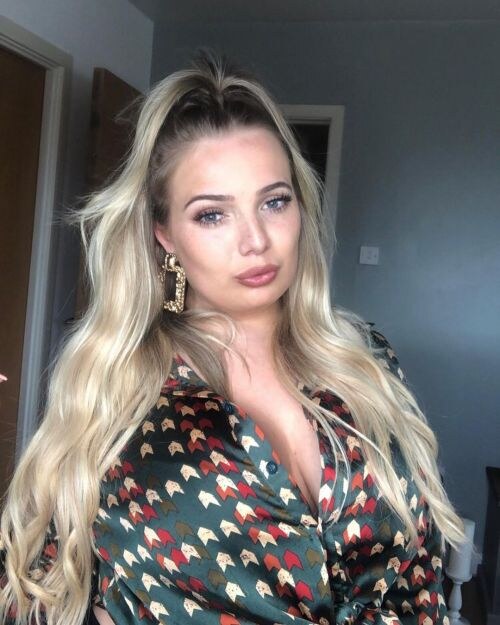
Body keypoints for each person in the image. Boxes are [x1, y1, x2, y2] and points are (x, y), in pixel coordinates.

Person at [0, 52, 464, 625]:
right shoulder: (118, 387)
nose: (256, 240)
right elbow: (36, 589)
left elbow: (422, 570)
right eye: (212, 215)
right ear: (165, 234)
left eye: (274, 202)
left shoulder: (364, 357)